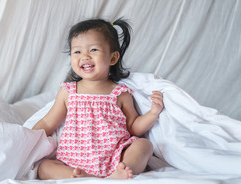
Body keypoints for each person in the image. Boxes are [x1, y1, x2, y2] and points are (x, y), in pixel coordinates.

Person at [32, 18, 164, 179]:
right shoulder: (68, 92)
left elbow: (133, 128)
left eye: (93, 50)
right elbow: (47, 122)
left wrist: (153, 113)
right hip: (74, 161)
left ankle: (121, 172)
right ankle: (81, 178)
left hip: (114, 157)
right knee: (44, 167)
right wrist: (27, 138)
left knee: (144, 145)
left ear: (113, 58)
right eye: (77, 52)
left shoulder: (120, 93)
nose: (85, 56)